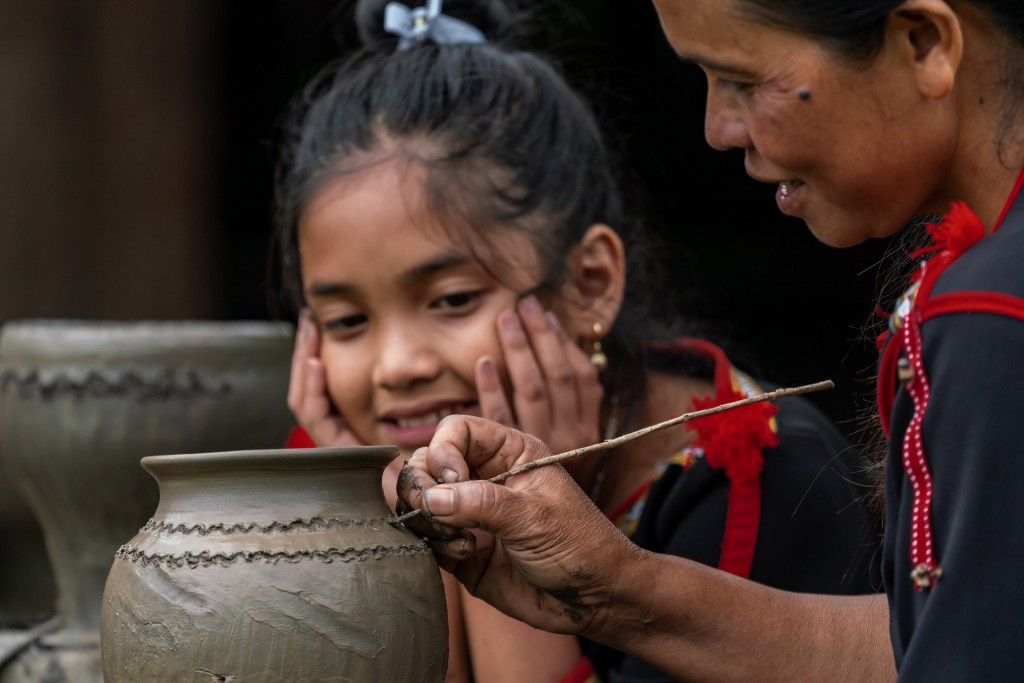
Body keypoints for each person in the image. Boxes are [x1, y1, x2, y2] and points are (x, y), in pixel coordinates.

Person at [397, 0, 1024, 680]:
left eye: (744, 81)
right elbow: (924, 645)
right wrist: (612, 587)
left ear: (925, 43)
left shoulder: (991, 311)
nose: (717, 129)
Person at [275, 0, 881, 680]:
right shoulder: (349, 473)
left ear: (590, 283)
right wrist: (363, 520)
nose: (396, 367)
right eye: (347, 322)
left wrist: (497, 522)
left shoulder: (755, 483)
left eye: (452, 300)